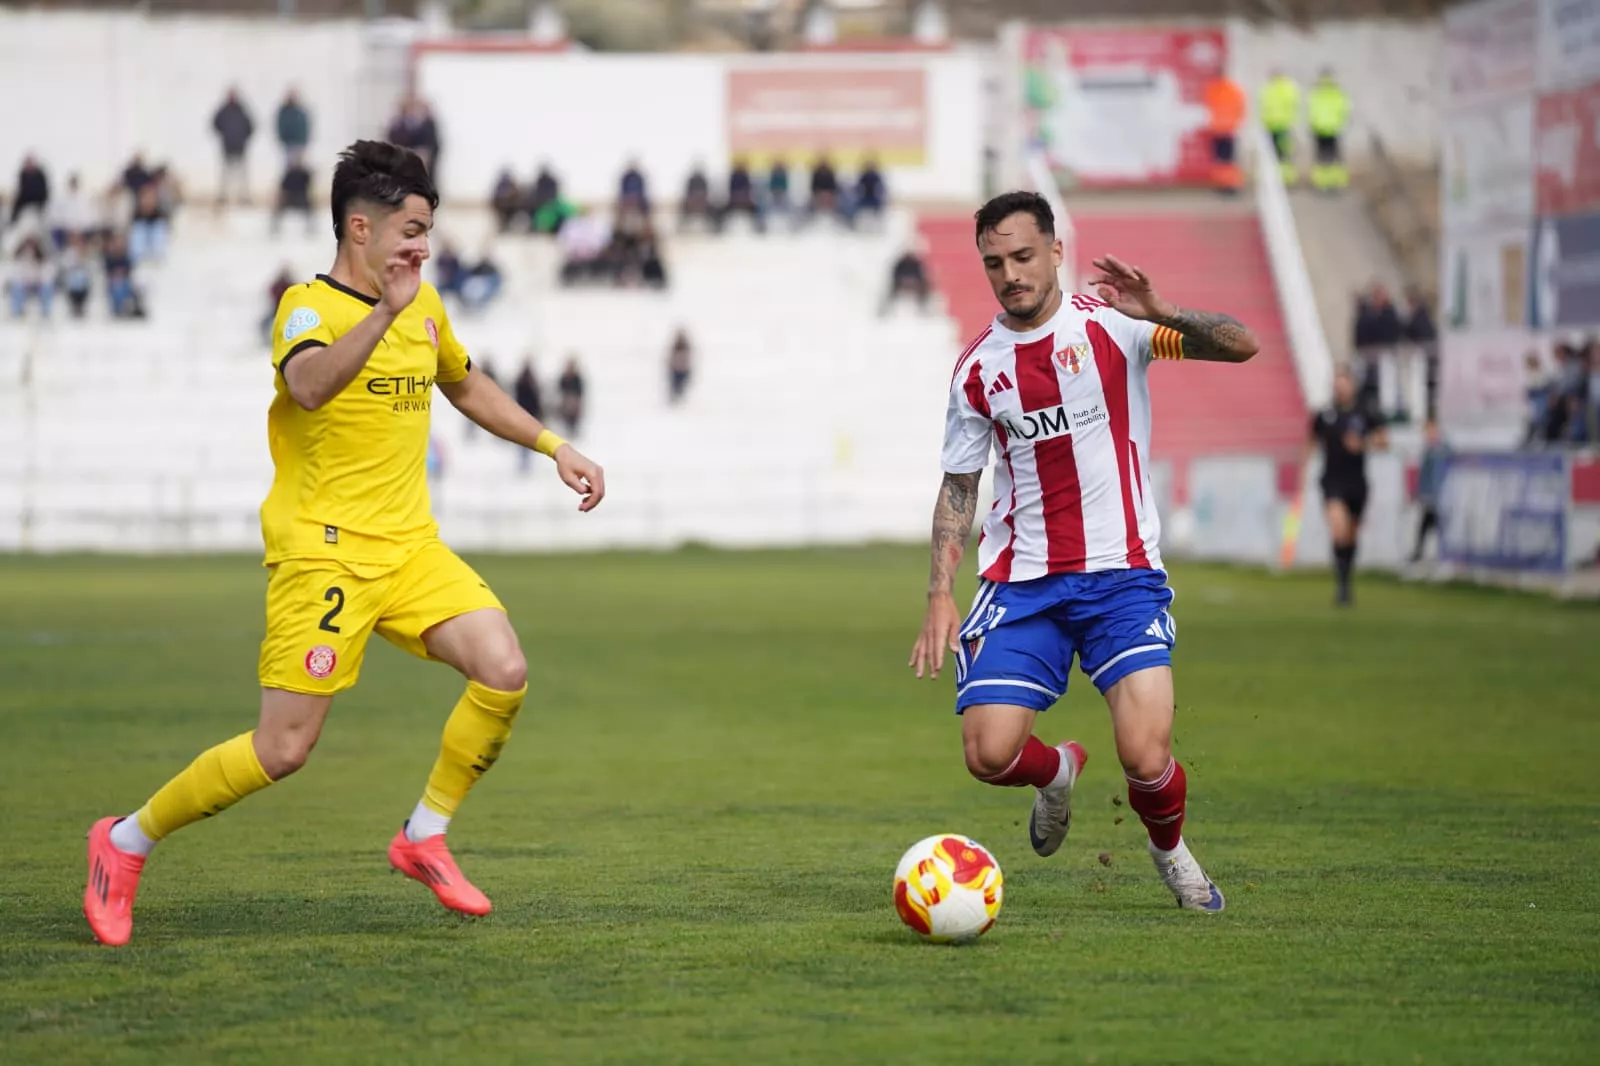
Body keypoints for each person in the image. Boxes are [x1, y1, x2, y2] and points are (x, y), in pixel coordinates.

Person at [81, 140, 607, 948]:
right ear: (358, 227)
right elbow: (311, 386)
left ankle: (422, 835)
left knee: (504, 668)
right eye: (411, 229)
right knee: (283, 749)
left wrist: (552, 445)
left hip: (409, 550)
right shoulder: (306, 307)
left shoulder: (424, 307)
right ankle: (123, 843)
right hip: (322, 554)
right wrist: (387, 312)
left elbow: (462, 381)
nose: (422, 247)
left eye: (427, 229)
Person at [909, 191, 1259, 912]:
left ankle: (1170, 852)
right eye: (994, 263)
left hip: (1121, 577)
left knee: (1145, 756)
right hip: (1023, 584)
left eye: (1024, 256)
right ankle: (1056, 773)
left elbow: (1239, 343)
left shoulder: (1118, 329)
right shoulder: (978, 369)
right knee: (988, 754)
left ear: (1056, 251)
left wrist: (1161, 312)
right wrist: (940, 590)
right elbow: (959, 485)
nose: (1010, 274)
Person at [1308, 366, 1386, 606]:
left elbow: (1383, 441)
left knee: (1350, 535)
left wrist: (1362, 444)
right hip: (1332, 480)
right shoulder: (1324, 414)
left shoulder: (1365, 412)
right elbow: (1310, 442)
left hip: (1357, 482)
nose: (1340, 387)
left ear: (1352, 385)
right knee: (1338, 529)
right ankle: (1341, 587)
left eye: (1344, 382)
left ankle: (1346, 582)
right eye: (1336, 382)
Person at [1411, 418, 1448, 564]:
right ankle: (1420, 552)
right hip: (1430, 495)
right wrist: (1419, 491)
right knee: (1427, 524)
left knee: (1433, 524)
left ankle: (1426, 553)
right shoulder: (1429, 449)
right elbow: (1424, 474)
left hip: (1439, 495)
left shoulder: (1442, 449)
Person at [1307, 68, 1350, 193]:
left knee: (1322, 158)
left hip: (1321, 129)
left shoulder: (1316, 93)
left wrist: (1313, 125)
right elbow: (1344, 111)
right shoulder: (1337, 93)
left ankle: (1323, 183)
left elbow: (1311, 111)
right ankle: (1336, 183)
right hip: (1333, 129)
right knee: (1334, 158)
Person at [1203, 72, 1246, 195]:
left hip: (1219, 130)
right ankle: (1229, 184)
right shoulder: (1233, 90)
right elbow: (1241, 108)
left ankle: (1226, 184)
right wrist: (1237, 123)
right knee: (1227, 160)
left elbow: (1208, 107)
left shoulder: (1214, 90)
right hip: (1227, 129)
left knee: (1222, 160)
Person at [212, 88, 256, 206]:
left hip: (240, 147)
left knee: (242, 174)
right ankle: (223, 196)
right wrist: (225, 135)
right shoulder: (223, 110)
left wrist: (243, 138)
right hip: (227, 147)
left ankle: (243, 197)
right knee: (226, 174)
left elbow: (251, 126)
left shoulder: (242, 111)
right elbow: (215, 123)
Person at [1259, 70, 1300, 186]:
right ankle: (1281, 178)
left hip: (1282, 126)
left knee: (1283, 154)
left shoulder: (1281, 89)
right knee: (1279, 154)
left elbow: (1292, 106)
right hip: (1275, 126)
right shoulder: (1286, 88)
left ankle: (1285, 178)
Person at [7, 235, 54, 319]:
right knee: (16, 288)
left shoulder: (42, 258)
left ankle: (45, 312)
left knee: (47, 287)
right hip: (24, 284)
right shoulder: (20, 257)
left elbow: (47, 272)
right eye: (28, 243)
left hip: (38, 283)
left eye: (32, 243)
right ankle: (16, 312)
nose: (30, 246)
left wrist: (40, 280)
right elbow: (16, 273)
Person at [272, 151, 315, 237]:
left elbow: (309, 185)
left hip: (301, 198)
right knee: (277, 208)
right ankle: (274, 228)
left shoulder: (304, 173)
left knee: (310, 209)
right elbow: (282, 188)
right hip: (289, 198)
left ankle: (311, 229)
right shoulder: (289, 174)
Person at [881, 246, 931, 316]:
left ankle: (925, 309)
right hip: (902, 282)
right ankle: (885, 310)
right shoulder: (900, 263)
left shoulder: (916, 263)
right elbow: (895, 274)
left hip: (914, 282)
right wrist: (902, 280)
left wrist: (914, 280)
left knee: (924, 289)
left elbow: (921, 275)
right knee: (891, 290)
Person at [275, 89, 312, 165]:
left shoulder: (300, 111)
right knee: (290, 165)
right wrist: (283, 138)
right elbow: (280, 126)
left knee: (299, 165)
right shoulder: (284, 111)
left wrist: (303, 141)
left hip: (299, 144)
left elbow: (305, 127)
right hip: (288, 143)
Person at [12, 154, 49, 225]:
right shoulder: (23, 174)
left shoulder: (40, 175)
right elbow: (22, 191)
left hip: (39, 201)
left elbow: (44, 191)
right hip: (25, 201)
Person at [558, 357, 585, 437]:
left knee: (573, 423)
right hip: (566, 403)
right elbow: (560, 389)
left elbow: (580, 391)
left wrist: (575, 401)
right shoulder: (564, 378)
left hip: (574, 403)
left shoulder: (577, 378)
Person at [666, 328, 692, 404]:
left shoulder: (685, 346)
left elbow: (688, 357)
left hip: (682, 370)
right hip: (676, 370)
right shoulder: (676, 346)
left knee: (680, 386)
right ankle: (675, 399)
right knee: (675, 385)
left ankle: (679, 398)